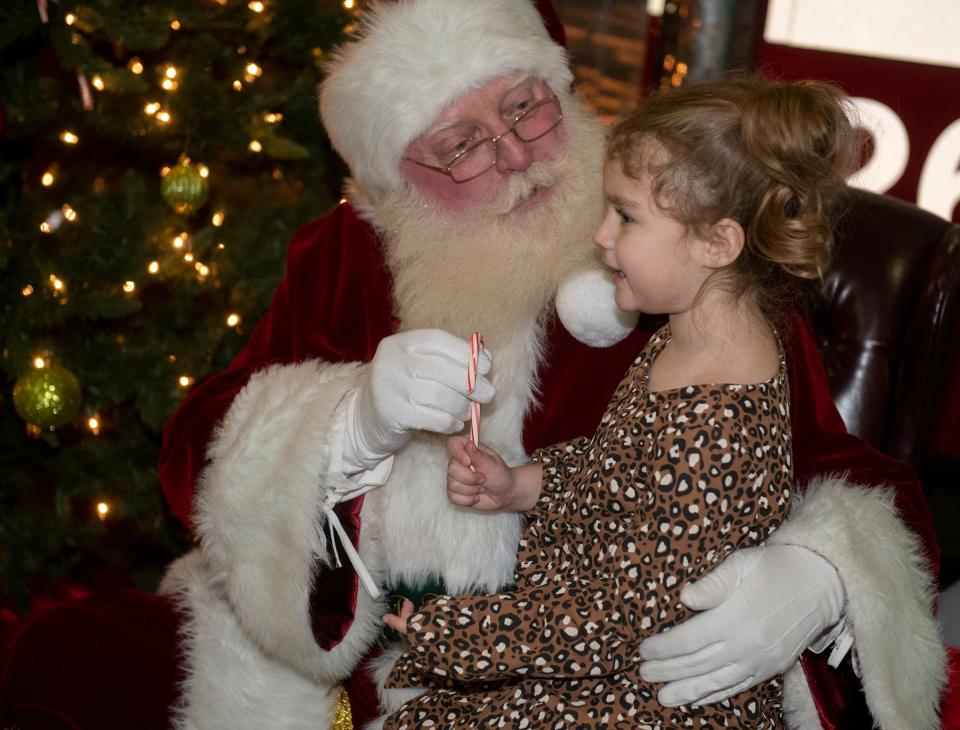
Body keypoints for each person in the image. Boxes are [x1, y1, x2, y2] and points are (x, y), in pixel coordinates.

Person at [0, 1, 945, 729]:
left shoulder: (673, 236)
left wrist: (820, 575)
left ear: (563, 92)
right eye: (459, 145)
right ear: (390, 178)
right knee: (67, 653)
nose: (516, 155)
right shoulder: (343, 253)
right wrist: (346, 423)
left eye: (526, 109)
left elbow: (846, 472)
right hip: (357, 649)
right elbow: (196, 445)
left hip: (587, 663)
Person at [376, 76, 856, 728]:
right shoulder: (685, 340)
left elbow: (610, 621)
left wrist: (445, 628)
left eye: (626, 216)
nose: (601, 237)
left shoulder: (714, 426)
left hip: (643, 699)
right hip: (602, 664)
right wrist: (522, 485)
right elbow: (620, 476)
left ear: (717, 243)